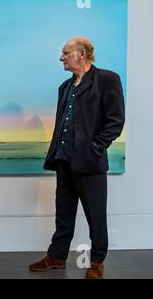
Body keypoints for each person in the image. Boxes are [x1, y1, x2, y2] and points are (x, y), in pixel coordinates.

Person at [28, 37, 125, 279]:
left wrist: (96, 146)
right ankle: (57, 256)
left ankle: (97, 261)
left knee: (96, 215)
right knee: (64, 212)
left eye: (65, 53)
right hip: (64, 160)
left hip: (89, 162)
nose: (61, 58)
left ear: (81, 54)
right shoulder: (65, 87)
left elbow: (115, 121)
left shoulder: (107, 79)